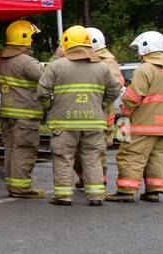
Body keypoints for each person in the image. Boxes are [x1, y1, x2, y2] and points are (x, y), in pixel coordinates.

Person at [36, 26, 120, 205]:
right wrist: (101, 104)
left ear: (66, 43)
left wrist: (50, 106)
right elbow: (114, 90)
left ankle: (63, 196)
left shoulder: (57, 66)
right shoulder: (102, 67)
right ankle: (96, 195)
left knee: (63, 158)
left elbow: (42, 91)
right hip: (93, 122)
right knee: (92, 157)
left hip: (64, 123)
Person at [108, 31, 163, 203]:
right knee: (157, 157)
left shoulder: (145, 69)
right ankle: (153, 190)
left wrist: (125, 111)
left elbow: (133, 97)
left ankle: (126, 191)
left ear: (146, 47)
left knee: (132, 156)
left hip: (144, 125)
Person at [0, 20, 46, 198]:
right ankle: (21, 188)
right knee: (24, 150)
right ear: (25, 37)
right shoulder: (27, 61)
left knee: (11, 149)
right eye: (31, 37)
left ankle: (13, 186)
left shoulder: (0, 60)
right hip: (26, 114)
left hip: (7, 112)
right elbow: (47, 80)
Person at [86, 27, 125, 148]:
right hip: (90, 115)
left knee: (97, 154)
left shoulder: (107, 62)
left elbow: (117, 83)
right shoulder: (91, 60)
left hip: (101, 118)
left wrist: (100, 100)